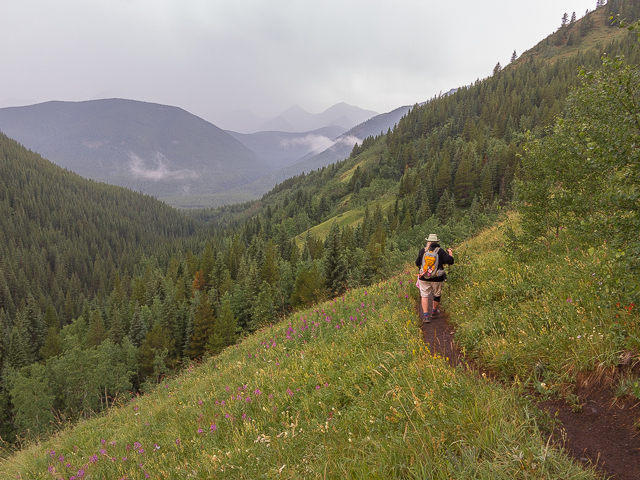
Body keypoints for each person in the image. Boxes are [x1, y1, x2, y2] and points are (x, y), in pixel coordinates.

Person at [415, 233, 454, 323]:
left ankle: (426, 316)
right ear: (437, 242)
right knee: (437, 294)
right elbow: (450, 261)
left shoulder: (423, 251)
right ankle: (434, 312)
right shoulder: (440, 251)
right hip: (437, 278)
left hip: (424, 277)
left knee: (424, 295)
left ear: (428, 241)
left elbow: (417, 263)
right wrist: (450, 252)